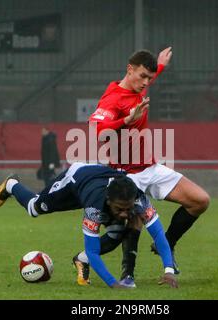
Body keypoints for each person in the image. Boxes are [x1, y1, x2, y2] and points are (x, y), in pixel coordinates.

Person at [87, 47, 210, 286]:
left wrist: (160, 65)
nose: (145, 83)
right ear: (129, 69)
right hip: (126, 175)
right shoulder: (112, 99)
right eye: (142, 76)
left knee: (200, 200)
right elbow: (96, 130)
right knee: (135, 219)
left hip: (150, 168)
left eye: (150, 79)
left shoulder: (138, 85)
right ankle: (126, 275)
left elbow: (147, 76)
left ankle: (168, 244)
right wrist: (126, 120)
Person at [0, 162, 178, 289]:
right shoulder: (95, 207)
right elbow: (93, 250)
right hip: (74, 182)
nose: (124, 213)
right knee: (34, 208)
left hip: (96, 183)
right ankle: (11, 185)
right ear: (109, 200)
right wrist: (112, 283)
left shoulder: (137, 197)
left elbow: (158, 232)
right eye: (119, 209)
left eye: (127, 208)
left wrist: (168, 270)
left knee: (117, 233)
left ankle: (80, 259)